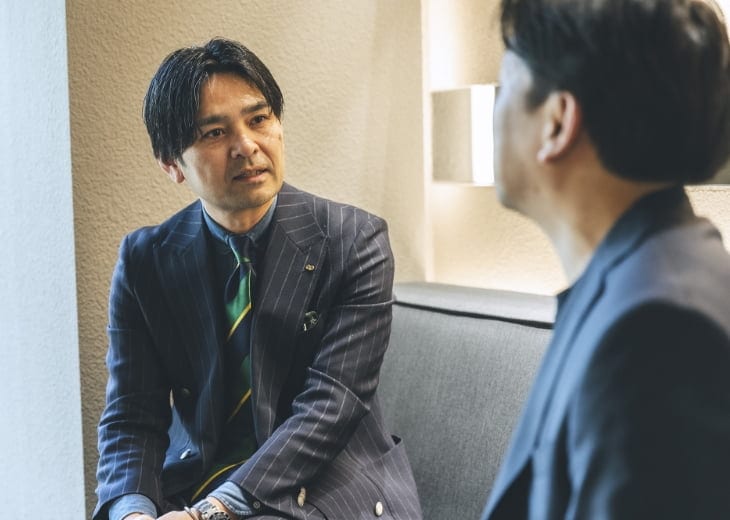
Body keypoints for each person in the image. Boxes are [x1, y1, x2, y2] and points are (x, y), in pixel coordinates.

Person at [94, 37, 421, 520]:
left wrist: (211, 512)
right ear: (171, 164)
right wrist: (132, 512)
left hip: (329, 487)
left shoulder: (355, 240)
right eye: (214, 132)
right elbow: (131, 416)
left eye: (259, 119)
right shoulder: (145, 260)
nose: (246, 146)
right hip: (194, 486)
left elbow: (331, 405)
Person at [482, 0, 730, 518]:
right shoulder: (651, 272)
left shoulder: (656, 330)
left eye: (504, 88)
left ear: (557, 122)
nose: (493, 116)